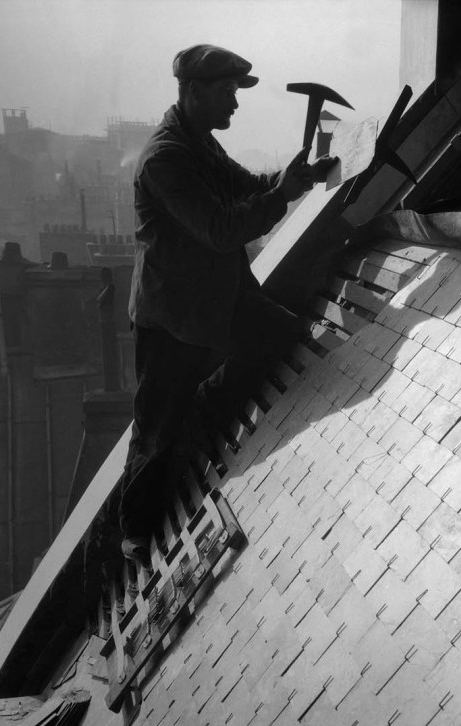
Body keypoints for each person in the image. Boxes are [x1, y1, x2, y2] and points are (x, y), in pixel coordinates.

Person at [119, 43, 336, 564]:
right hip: (171, 316)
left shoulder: (200, 143)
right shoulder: (167, 158)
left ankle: (206, 408)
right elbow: (221, 229)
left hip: (214, 301)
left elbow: (248, 186)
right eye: (227, 93)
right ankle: (133, 533)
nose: (235, 105)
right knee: (155, 433)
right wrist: (280, 195)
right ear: (193, 92)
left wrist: (289, 180)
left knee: (279, 335)